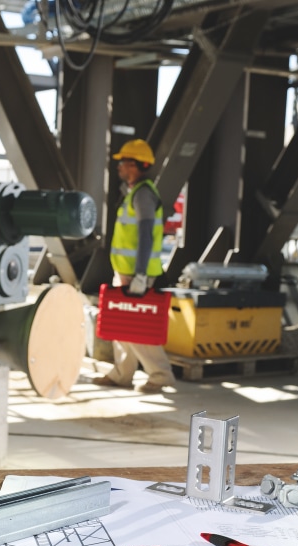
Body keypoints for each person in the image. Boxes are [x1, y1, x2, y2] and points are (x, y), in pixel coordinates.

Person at [92, 139, 178, 394]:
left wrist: (140, 274)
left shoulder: (143, 194)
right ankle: (122, 374)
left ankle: (161, 375)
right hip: (126, 272)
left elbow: (145, 235)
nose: (119, 166)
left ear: (137, 165)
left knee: (136, 327)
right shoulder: (134, 192)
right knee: (121, 325)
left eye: (124, 162)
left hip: (136, 274)